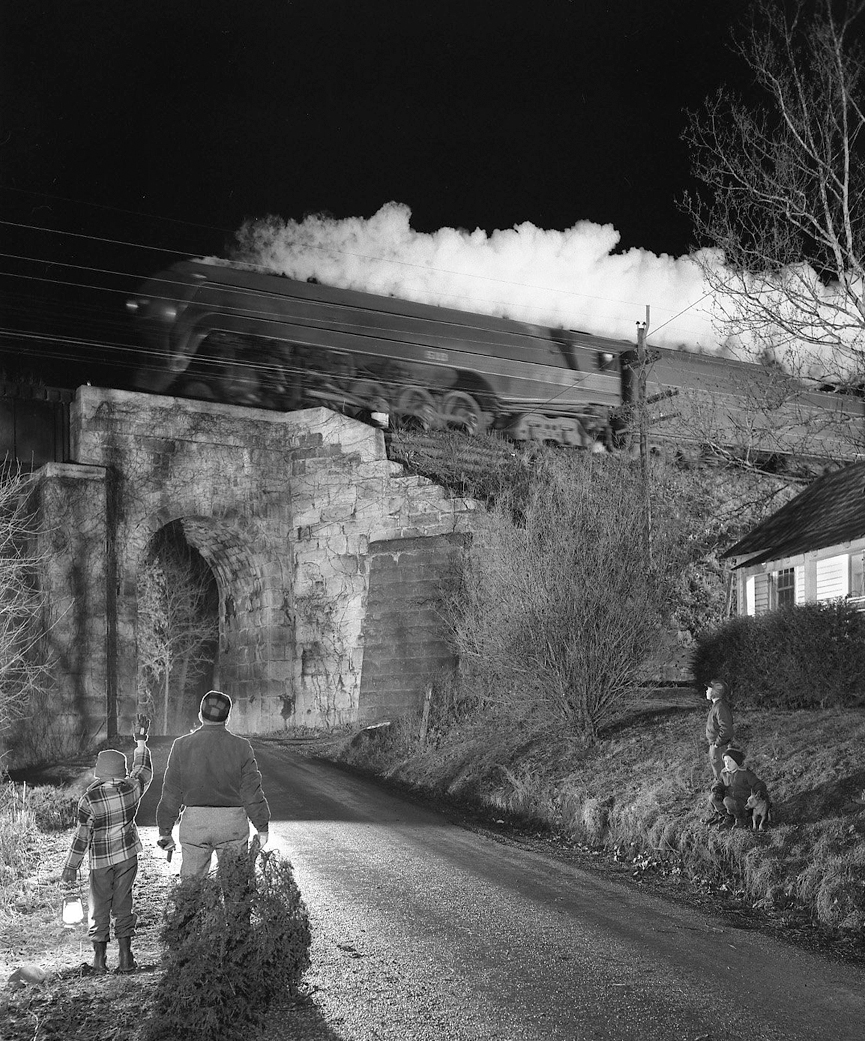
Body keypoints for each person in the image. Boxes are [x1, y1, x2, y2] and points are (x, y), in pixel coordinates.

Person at [61, 716, 153, 974]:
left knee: (99, 906)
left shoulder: (89, 800)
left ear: (99, 772)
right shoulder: (131, 789)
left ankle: (99, 961)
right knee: (124, 903)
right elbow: (143, 771)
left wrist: (71, 866)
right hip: (127, 857)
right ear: (121, 771)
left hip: (100, 862)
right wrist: (141, 741)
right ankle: (125, 958)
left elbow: (82, 837)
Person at [155, 690, 270, 877]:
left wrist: (165, 830)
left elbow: (171, 792)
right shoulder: (241, 747)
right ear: (227, 718)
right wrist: (262, 826)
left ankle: (190, 896)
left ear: (200, 715)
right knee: (235, 884)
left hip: (195, 823)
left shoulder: (181, 745)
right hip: (232, 824)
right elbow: (251, 792)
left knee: (191, 885)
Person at [707, 747, 769, 828]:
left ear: (737, 762)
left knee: (728, 801)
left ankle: (741, 819)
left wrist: (759, 791)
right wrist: (717, 789)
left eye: (730, 761)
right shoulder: (724, 773)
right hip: (730, 800)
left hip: (742, 802)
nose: (727, 764)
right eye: (725, 761)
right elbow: (719, 782)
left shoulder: (745, 773)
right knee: (713, 797)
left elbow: (757, 783)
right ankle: (728, 817)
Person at [704, 679, 734, 781]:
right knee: (719, 774)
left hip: (720, 747)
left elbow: (726, 729)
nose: (706, 691)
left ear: (715, 691)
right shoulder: (717, 706)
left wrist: (717, 744)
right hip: (716, 745)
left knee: (722, 775)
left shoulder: (720, 707)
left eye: (709, 689)